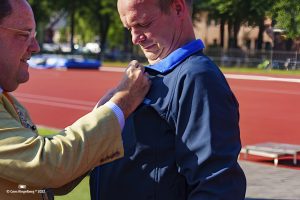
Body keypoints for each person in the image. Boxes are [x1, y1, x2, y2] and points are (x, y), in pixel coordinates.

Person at [90, 0, 246, 199]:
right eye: (129, 28)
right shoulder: (152, 76)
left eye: (143, 24)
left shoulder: (197, 78)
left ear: (178, 8)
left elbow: (217, 185)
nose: (134, 38)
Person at [0, 0, 150, 199]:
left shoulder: (9, 101)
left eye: (34, 36)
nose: (35, 47)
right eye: (24, 35)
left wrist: (101, 114)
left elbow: (47, 181)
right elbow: (47, 164)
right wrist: (122, 103)